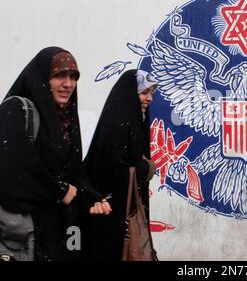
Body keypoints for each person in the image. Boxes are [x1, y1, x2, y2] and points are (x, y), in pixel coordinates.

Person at [0, 47, 111, 261]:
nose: (68, 84)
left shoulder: (67, 123)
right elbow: (11, 173)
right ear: (42, 78)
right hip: (20, 238)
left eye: (73, 76)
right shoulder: (16, 110)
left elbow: (72, 175)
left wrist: (91, 198)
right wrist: (58, 190)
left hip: (56, 237)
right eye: (59, 75)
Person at [82, 69, 157, 261]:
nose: (149, 99)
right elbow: (109, 170)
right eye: (144, 92)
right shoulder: (117, 125)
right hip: (108, 216)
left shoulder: (133, 123)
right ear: (130, 94)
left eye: (151, 93)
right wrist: (143, 169)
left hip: (123, 212)